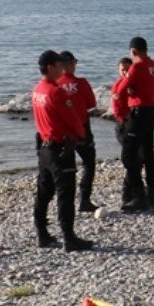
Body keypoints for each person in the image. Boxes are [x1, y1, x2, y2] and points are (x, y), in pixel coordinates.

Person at [32, 50, 94, 252]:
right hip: (59, 148)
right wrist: (80, 135)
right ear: (50, 67)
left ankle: (42, 233)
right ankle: (69, 237)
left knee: (44, 191)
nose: (63, 69)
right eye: (59, 65)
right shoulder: (55, 92)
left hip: (44, 146)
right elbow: (73, 119)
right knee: (65, 192)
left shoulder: (37, 90)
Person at [117, 36, 154, 212]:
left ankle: (138, 195)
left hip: (139, 112)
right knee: (148, 154)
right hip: (151, 110)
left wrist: (130, 88)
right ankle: (152, 196)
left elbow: (121, 88)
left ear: (133, 52)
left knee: (128, 154)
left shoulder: (137, 66)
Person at [59, 52, 100, 213]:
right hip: (81, 127)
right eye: (72, 63)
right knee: (88, 163)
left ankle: (69, 201)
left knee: (66, 167)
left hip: (64, 130)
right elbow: (91, 103)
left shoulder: (55, 85)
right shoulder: (81, 83)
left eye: (75, 63)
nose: (74, 66)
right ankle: (84, 199)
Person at [110, 57, 131, 144]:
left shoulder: (132, 83)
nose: (125, 72)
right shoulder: (118, 83)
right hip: (119, 119)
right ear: (118, 70)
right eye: (122, 70)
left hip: (128, 118)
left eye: (128, 69)